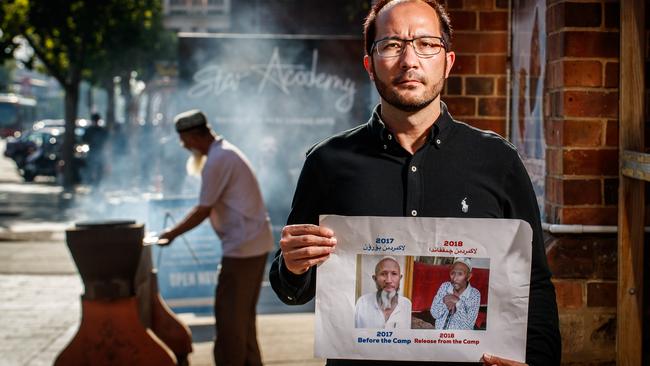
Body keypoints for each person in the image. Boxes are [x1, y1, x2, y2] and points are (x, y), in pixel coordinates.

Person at [269, 0, 561, 365]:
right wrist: (293, 267)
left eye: (426, 44)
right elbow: (291, 288)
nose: (410, 60)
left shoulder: (498, 161)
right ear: (370, 65)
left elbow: (533, 284)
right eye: (392, 45)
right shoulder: (327, 163)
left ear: (448, 62)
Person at [159, 109, 273, 366]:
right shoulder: (224, 152)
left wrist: (170, 234)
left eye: (184, 140)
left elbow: (203, 209)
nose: (184, 146)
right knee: (242, 319)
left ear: (194, 136)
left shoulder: (218, 159)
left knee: (230, 319)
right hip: (251, 244)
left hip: (243, 248)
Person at [355, 256, 412, 329]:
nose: (388, 280)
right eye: (383, 274)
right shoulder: (362, 303)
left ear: (400, 278)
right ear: (375, 279)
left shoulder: (407, 304)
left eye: (394, 274)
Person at [430, 257, 480, 330]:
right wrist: (445, 303)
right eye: (453, 273)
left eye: (460, 274)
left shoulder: (474, 294)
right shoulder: (445, 286)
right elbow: (434, 314)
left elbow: (468, 327)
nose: (454, 278)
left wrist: (457, 302)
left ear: (469, 276)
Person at [82, 113, 108, 185]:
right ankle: (94, 185)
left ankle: (96, 185)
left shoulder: (101, 131)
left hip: (99, 154)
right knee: (92, 171)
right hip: (93, 153)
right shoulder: (91, 130)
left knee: (98, 172)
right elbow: (84, 140)